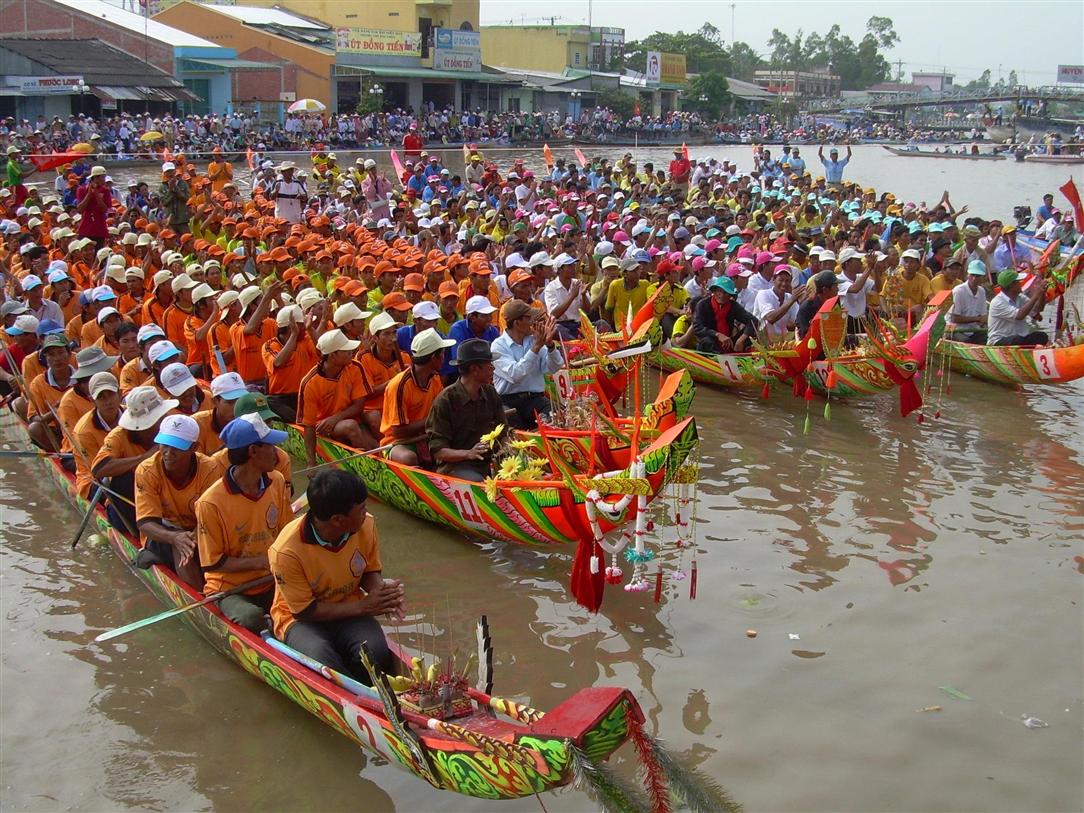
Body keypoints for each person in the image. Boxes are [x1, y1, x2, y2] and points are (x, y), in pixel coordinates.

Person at [268, 468, 403, 683]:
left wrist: (382, 593)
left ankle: (369, 688)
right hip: (299, 619)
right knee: (323, 660)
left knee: (376, 652)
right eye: (361, 508)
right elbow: (305, 612)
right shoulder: (286, 551)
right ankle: (362, 696)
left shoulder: (365, 524)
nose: (366, 511)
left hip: (348, 606)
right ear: (338, 520)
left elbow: (369, 570)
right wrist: (365, 606)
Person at [195, 414, 294, 633]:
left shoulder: (276, 481)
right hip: (231, 588)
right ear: (253, 451)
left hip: (272, 578)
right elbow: (214, 563)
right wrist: (263, 561)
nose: (277, 453)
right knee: (250, 618)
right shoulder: (210, 503)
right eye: (270, 446)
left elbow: (287, 534)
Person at [134, 413, 222, 588]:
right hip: (163, 532)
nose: (168, 453)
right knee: (182, 548)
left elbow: (212, 517)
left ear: (193, 448)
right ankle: (200, 600)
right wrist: (176, 538)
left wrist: (192, 537)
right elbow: (145, 524)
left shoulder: (210, 469)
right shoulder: (146, 471)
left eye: (176, 447)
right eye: (164, 445)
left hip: (201, 527)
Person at [92, 386, 177, 534]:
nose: (164, 419)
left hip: (168, 494)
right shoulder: (119, 436)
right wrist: (144, 458)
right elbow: (99, 469)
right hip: (133, 502)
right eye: (159, 418)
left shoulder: (172, 428)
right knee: (122, 479)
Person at [426, 338, 504, 482]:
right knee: (479, 484)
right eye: (489, 365)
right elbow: (438, 451)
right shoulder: (445, 401)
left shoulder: (491, 393)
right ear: (475, 369)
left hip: (490, 462)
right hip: (457, 466)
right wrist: (468, 454)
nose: (493, 369)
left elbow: (503, 432)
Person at [299, 328, 374, 466]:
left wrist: (336, 417)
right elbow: (308, 426)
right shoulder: (309, 383)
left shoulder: (355, 367)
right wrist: (311, 462)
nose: (351, 352)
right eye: (346, 350)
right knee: (350, 426)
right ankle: (369, 465)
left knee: (374, 445)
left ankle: (373, 458)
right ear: (332, 355)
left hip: (349, 418)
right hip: (325, 426)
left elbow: (359, 406)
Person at [381, 328, 452, 467]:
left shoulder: (435, 378)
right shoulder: (399, 385)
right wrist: (432, 420)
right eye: (442, 353)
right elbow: (399, 432)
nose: (444, 357)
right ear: (433, 357)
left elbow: (442, 410)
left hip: (428, 436)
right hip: (398, 443)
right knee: (408, 458)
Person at [491, 300, 563, 429]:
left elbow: (554, 367)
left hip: (535, 399)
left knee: (560, 419)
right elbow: (515, 375)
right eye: (529, 318)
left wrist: (550, 345)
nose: (533, 322)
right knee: (516, 432)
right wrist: (535, 348)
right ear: (517, 323)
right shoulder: (498, 345)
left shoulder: (534, 339)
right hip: (508, 400)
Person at [72, 371, 121, 499]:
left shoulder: (133, 415)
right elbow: (100, 471)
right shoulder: (83, 431)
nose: (108, 402)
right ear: (92, 400)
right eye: (101, 397)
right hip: (94, 479)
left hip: (125, 466)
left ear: (120, 394)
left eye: (111, 395)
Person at [693, 276, 758, 353]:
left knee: (751, 335)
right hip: (710, 343)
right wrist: (717, 335)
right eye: (719, 291)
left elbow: (753, 321)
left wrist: (741, 340)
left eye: (726, 293)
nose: (722, 295)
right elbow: (697, 327)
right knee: (707, 341)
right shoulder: (703, 305)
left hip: (729, 342)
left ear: (730, 295)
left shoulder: (733, 306)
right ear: (714, 292)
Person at [987, 269, 1048, 346]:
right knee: (1016, 340)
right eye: (1018, 282)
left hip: (1020, 338)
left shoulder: (1020, 297)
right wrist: (1036, 295)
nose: (1020, 284)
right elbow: (1019, 316)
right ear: (1011, 285)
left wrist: (1041, 294)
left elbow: (1038, 309)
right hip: (1000, 340)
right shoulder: (997, 302)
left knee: (1041, 336)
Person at [752, 265, 806, 341]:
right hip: (763, 341)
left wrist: (804, 303)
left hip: (782, 342)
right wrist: (792, 300)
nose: (784, 283)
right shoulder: (763, 294)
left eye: (787, 281)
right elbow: (770, 318)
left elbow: (795, 323)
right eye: (781, 280)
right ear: (774, 279)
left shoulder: (789, 297)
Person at [947, 261, 989, 344]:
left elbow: (983, 316)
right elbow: (954, 318)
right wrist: (977, 319)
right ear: (967, 275)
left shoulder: (981, 291)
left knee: (988, 338)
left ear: (983, 277)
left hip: (973, 329)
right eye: (972, 275)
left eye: (978, 276)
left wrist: (983, 320)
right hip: (954, 329)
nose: (974, 278)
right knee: (966, 341)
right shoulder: (958, 291)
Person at [796, 270, 840, 336]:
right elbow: (804, 334)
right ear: (825, 290)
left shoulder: (835, 303)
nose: (838, 289)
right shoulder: (806, 308)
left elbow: (838, 325)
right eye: (835, 286)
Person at [158, 162, 190, 234]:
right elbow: (164, 202)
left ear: (175, 171)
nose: (170, 173)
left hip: (182, 220)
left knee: (187, 239)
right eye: (167, 171)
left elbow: (186, 199)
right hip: (170, 221)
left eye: (171, 171)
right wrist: (170, 190)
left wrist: (176, 188)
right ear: (164, 173)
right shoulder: (162, 187)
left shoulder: (183, 184)